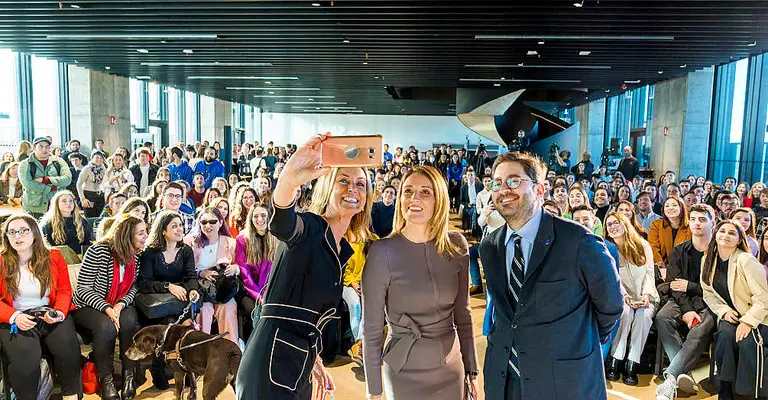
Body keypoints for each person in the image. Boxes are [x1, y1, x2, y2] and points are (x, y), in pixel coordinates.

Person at [236, 133, 371, 399]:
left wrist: (314, 357)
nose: (352, 189)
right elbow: (283, 223)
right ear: (326, 187)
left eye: (360, 184)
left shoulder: (340, 248)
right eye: (343, 181)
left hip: (298, 361)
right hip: (270, 363)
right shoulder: (310, 226)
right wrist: (290, 178)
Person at [478, 151, 623, 400]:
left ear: (541, 189)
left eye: (514, 180)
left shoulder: (579, 242)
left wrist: (574, 343)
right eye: (497, 183)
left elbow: (610, 307)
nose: (504, 189)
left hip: (564, 381)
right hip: (505, 380)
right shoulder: (490, 246)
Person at [362, 165, 478, 400]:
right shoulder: (382, 252)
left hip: (451, 368)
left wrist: (472, 369)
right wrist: (374, 391)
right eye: (408, 191)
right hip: (404, 371)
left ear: (439, 200)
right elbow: (372, 330)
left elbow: (463, 314)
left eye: (425, 192)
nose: (414, 198)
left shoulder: (456, 245)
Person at [0, 214, 81, 400]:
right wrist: (14, 317)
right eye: (11, 232)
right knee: (25, 360)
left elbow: (64, 290)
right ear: (6, 237)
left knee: (66, 348)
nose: (17, 236)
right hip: (17, 317)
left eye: (23, 230)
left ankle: (71, 395)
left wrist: (59, 312)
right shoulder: (2, 261)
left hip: (49, 312)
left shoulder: (53, 257)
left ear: (34, 233)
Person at [71, 214, 146, 400]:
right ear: (127, 235)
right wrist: (107, 308)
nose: (146, 236)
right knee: (106, 327)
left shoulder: (137, 255)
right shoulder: (98, 251)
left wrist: (120, 304)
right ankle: (107, 379)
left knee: (129, 321)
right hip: (89, 304)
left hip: (119, 302)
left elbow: (134, 287)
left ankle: (129, 376)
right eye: (141, 233)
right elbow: (83, 289)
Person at [655, 204, 718, 399]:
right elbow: (675, 286)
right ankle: (683, 373)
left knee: (701, 327)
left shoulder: (719, 252)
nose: (697, 224)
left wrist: (691, 286)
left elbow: (717, 289)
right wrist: (687, 310)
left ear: (712, 223)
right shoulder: (679, 251)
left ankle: (671, 378)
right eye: (693, 219)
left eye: (702, 220)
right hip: (683, 301)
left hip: (711, 301)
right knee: (663, 316)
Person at [702, 220, 768, 399]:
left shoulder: (746, 260)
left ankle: (751, 393)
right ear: (715, 234)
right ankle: (724, 390)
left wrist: (748, 321)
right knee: (724, 336)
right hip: (731, 315)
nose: (725, 235)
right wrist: (723, 310)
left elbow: (763, 297)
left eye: (732, 233)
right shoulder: (707, 259)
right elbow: (708, 293)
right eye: (722, 231)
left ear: (739, 240)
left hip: (758, 315)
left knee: (747, 342)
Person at [137, 210, 201, 390]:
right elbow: (144, 283)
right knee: (171, 326)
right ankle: (158, 367)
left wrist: (193, 290)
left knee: (184, 325)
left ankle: (183, 366)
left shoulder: (185, 250)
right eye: (174, 226)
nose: (180, 229)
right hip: (158, 304)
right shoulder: (151, 253)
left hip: (179, 302)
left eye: (180, 225)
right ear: (163, 231)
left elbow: (190, 277)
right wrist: (168, 286)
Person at [603, 212, 659, 386]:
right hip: (621, 297)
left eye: (616, 223)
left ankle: (632, 362)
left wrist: (646, 296)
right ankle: (615, 359)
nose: (612, 227)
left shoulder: (642, 245)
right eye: (609, 224)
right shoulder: (607, 248)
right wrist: (624, 296)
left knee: (642, 315)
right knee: (625, 313)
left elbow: (650, 273)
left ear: (625, 224)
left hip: (645, 295)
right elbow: (612, 279)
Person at [571, 205, 623, 360]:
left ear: (594, 221)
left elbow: (611, 287)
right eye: (577, 220)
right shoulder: (564, 248)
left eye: (585, 219)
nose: (582, 222)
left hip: (599, 305)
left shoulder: (609, 248)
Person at [183, 207, 239, 345]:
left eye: (212, 222)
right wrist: (201, 273)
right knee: (203, 309)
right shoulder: (190, 242)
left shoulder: (230, 243)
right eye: (204, 222)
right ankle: (200, 350)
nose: (208, 226)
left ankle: (231, 349)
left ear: (220, 222)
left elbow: (241, 266)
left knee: (228, 307)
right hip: (201, 289)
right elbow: (184, 270)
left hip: (222, 290)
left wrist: (235, 268)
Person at [235, 204, 276, 341]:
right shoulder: (242, 240)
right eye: (256, 216)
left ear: (269, 217)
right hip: (248, 291)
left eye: (263, 215)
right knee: (255, 310)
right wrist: (258, 296)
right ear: (251, 219)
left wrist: (266, 295)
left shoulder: (276, 239)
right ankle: (257, 346)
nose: (260, 219)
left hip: (270, 290)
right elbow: (244, 273)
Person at [19, 137, 72, 219]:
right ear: (34, 148)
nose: (45, 149)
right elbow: (28, 184)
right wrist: (54, 187)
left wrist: (46, 180)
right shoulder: (25, 164)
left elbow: (67, 179)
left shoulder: (58, 161)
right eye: (41, 146)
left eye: (47, 147)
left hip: (57, 205)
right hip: (34, 207)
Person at [40, 190, 93, 258]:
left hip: (81, 258)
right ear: (57, 204)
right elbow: (47, 246)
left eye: (71, 201)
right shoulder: (48, 223)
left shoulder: (82, 221)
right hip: (58, 258)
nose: (68, 203)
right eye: (64, 201)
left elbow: (88, 243)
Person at [77, 150, 107, 218]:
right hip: (89, 195)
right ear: (92, 158)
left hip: (100, 196)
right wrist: (82, 199)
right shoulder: (87, 169)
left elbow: (105, 183)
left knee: (100, 218)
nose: (99, 160)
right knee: (90, 218)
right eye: (96, 157)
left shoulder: (103, 169)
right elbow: (79, 184)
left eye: (100, 158)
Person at [460, 167, 484, 234]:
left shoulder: (480, 185)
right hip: (469, 207)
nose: (470, 177)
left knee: (477, 211)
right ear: (466, 177)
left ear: (474, 176)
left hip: (479, 206)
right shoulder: (463, 188)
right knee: (474, 211)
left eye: (472, 175)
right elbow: (461, 201)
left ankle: (478, 230)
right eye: (468, 175)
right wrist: (467, 204)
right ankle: (475, 230)